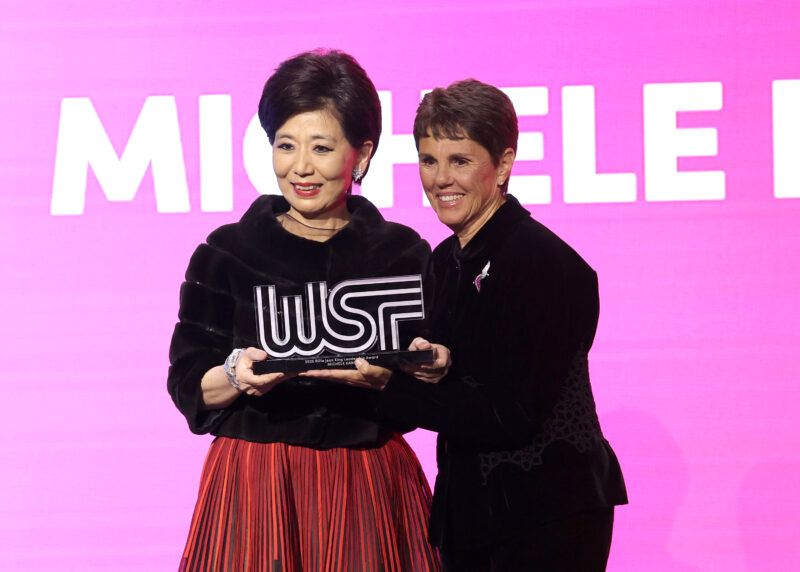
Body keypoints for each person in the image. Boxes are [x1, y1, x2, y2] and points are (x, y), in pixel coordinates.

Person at [305, 79, 628, 571]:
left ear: (502, 165)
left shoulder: (543, 263)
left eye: (460, 160)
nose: (440, 179)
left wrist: (390, 385)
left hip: (545, 515)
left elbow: (510, 414)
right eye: (429, 160)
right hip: (472, 514)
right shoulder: (443, 261)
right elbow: (457, 383)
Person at [167, 49, 440, 571]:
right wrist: (236, 374)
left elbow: (436, 383)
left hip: (369, 481)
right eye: (285, 146)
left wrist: (403, 377)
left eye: (321, 147)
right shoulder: (227, 252)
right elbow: (187, 385)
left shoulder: (404, 255)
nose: (301, 167)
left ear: (360, 155)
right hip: (257, 482)